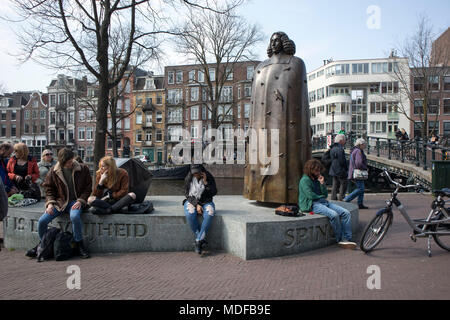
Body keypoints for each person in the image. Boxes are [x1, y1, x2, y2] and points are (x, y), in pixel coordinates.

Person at [36, 148, 92, 259]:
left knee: (75, 216)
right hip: (59, 203)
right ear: (62, 162)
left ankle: (79, 244)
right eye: (67, 163)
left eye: (71, 161)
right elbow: (48, 189)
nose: (70, 164)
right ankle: (44, 245)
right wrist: (50, 203)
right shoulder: (54, 171)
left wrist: (81, 200)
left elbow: (88, 187)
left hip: (75, 201)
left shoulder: (83, 169)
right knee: (42, 221)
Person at [298, 159, 356, 249]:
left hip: (322, 202)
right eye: (316, 171)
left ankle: (347, 238)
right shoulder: (304, 180)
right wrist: (321, 196)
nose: (318, 173)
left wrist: (322, 184)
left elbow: (325, 194)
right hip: (312, 204)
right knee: (334, 215)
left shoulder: (317, 179)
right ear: (310, 170)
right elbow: (310, 195)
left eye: (319, 170)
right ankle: (340, 239)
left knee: (346, 213)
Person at [183, 164, 217, 255]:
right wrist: (196, 204)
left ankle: (198, 240)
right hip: (192, 200)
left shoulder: (208, 176)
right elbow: (186, 194)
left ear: (202, 171)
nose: (196, 175)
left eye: (197, 173)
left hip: (206, 201)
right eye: (194, 173)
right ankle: (201, 239)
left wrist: (206, 183)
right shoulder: (188, 178)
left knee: (210, 213)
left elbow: (213, 192)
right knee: (190, 214)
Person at [344, 138, 369, 209]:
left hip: (354, 171)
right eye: (364, 144)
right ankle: (347, 199)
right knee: (361, 188)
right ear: (360, 144)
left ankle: (360, 203)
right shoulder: (358, 151)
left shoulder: (354, 150)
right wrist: (365, 167)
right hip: (358, 172)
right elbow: (358, 163)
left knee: (361, 188)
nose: (365, 146)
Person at [329, 134, 348, 201]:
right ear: (340, 141)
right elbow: (342, 160)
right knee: (343, 183)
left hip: (333, 169)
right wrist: (346, 168)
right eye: (344, 141)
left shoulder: (332, 148)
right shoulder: (340, 149)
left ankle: (333, 197)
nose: (345, 142)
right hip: (340, 169)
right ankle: (341, 197)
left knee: (335, 184)